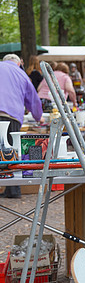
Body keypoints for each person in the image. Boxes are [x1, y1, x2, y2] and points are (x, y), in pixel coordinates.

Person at [0, 54, 43, 198]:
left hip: (8, 112)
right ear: (19, 63)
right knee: (11, 150)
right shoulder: (20, 73)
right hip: (10, 114)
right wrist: (38, 116)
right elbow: (32, 99)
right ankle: (13, 190)